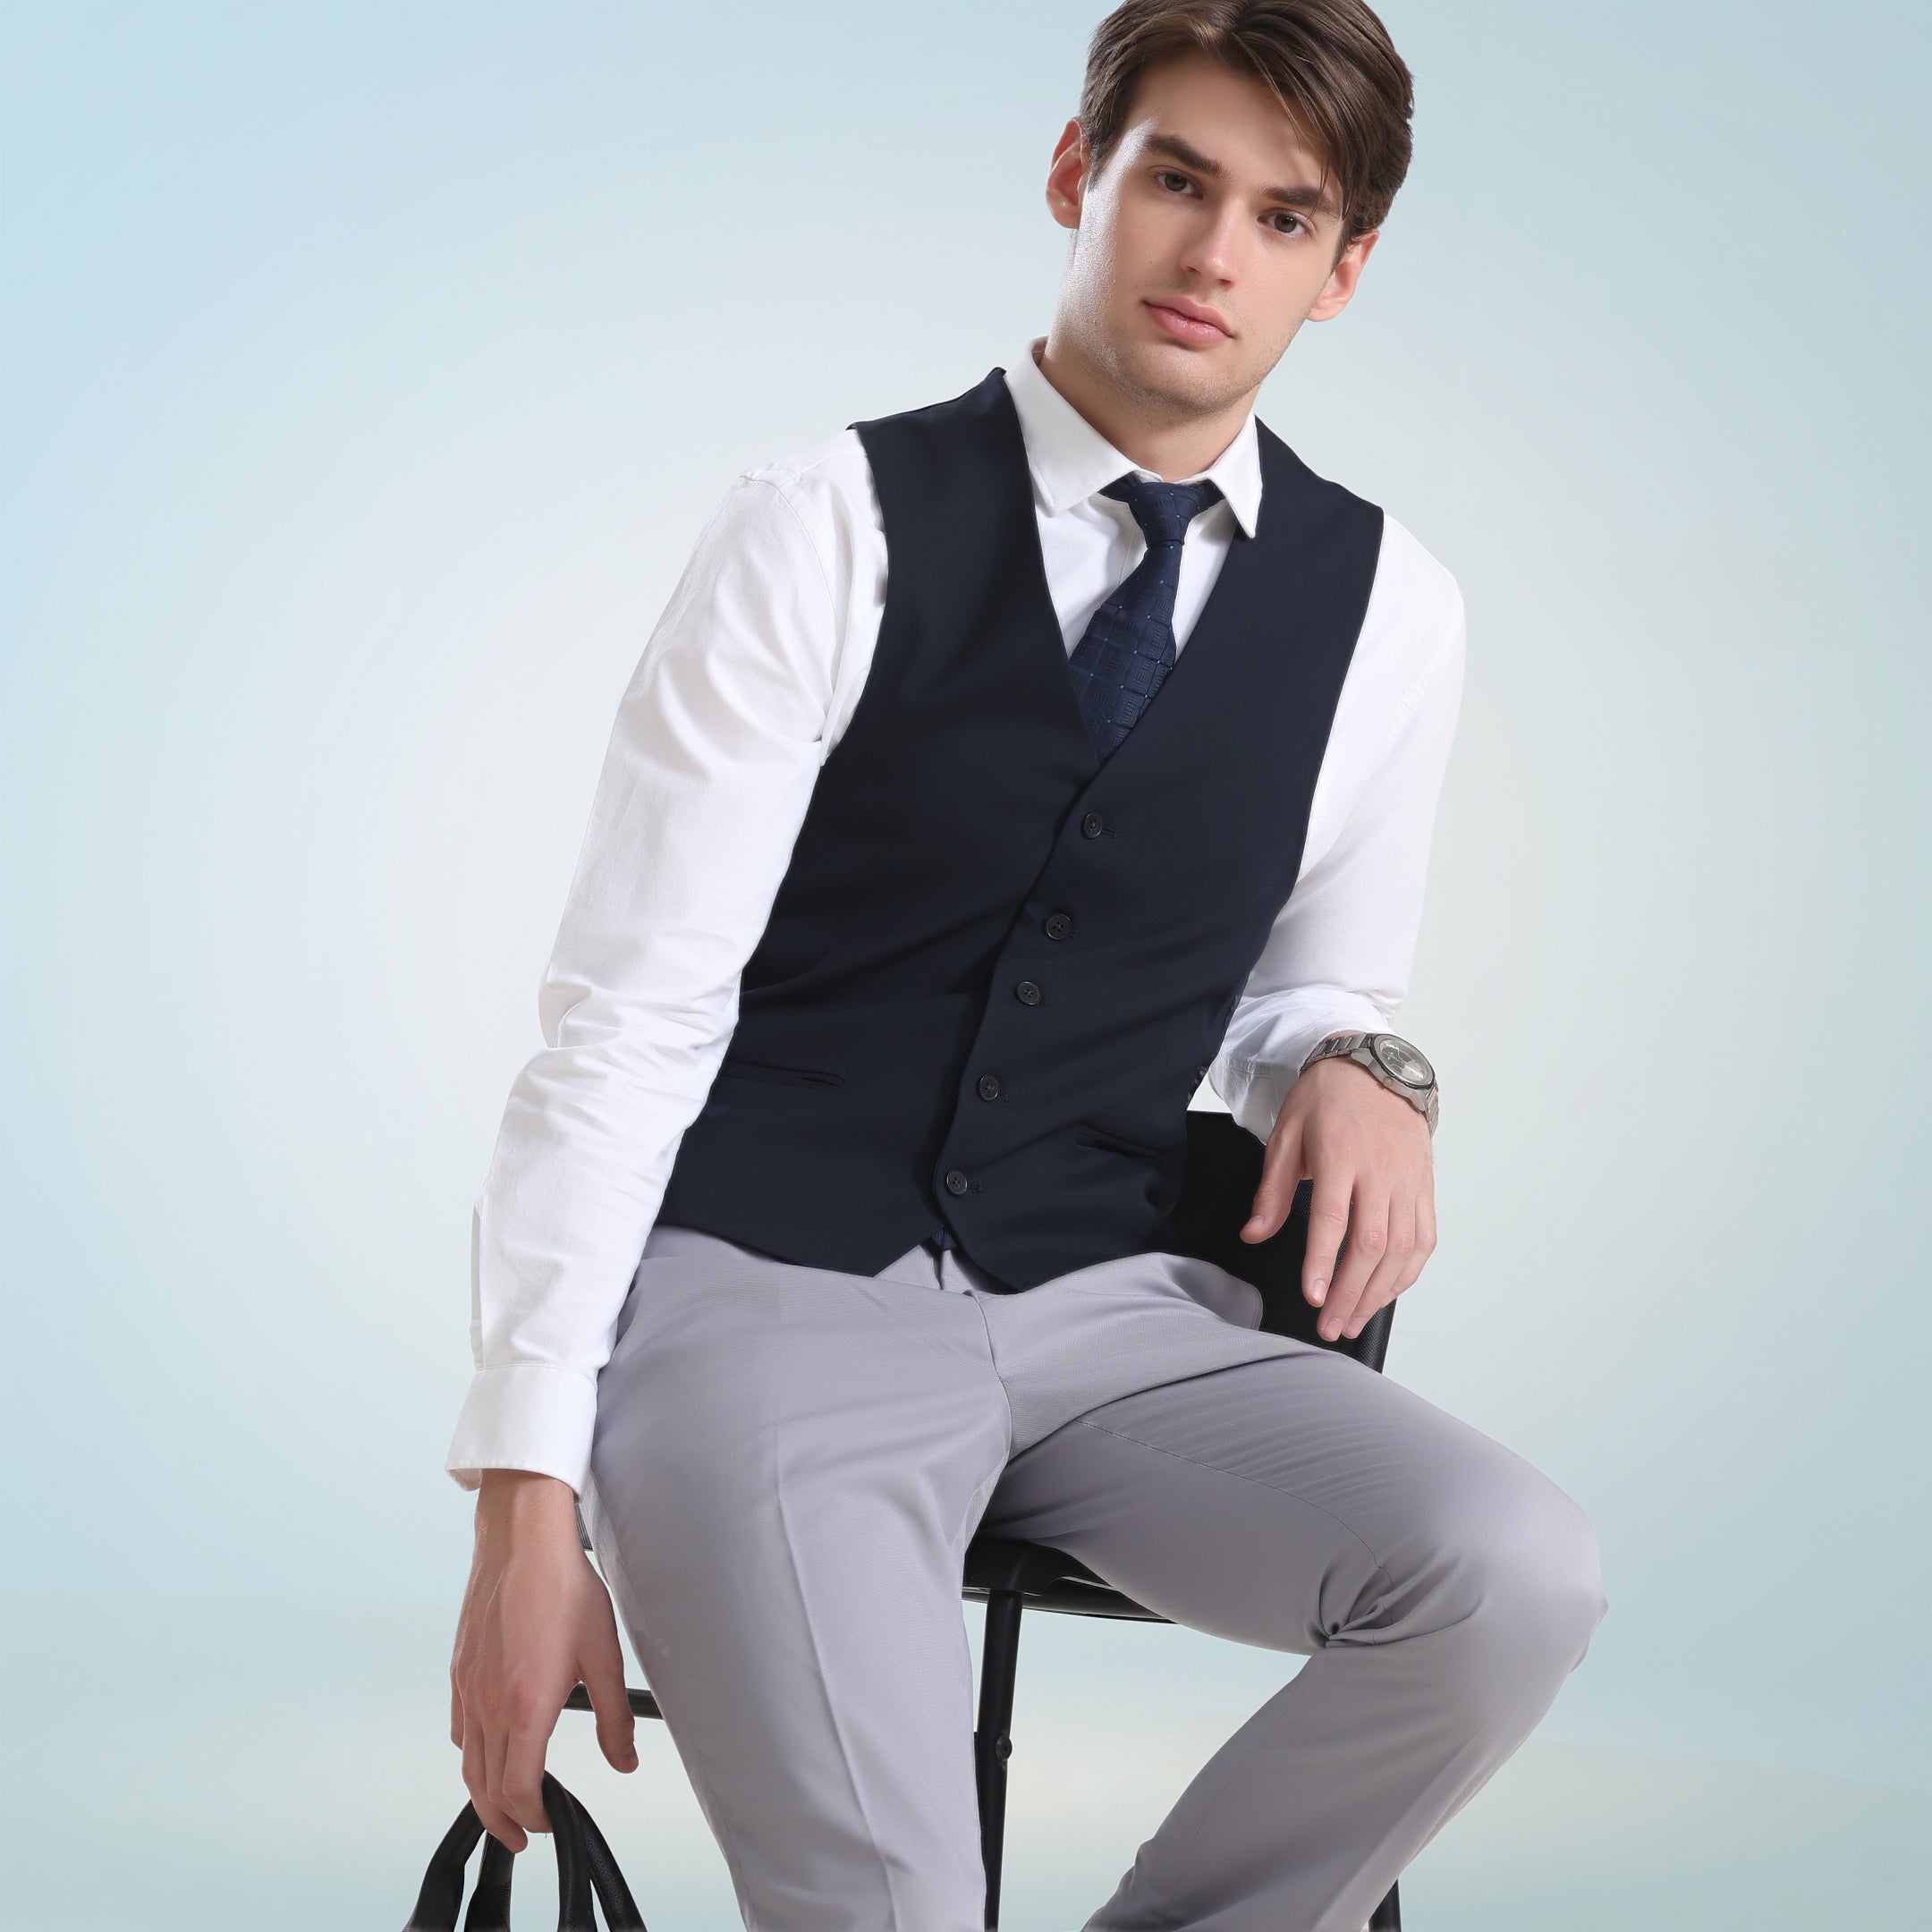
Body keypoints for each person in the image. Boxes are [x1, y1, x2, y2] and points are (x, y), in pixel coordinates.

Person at [444, 3, 1606, 1926]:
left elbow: (1315, 987)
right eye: (1174, 180)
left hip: (1108, 1309)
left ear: (1345, 272)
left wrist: (1367, 1074)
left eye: (1284, 217)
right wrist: (522, 1502)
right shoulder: (826, 524)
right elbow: (623, 1025)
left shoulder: (1392, 605)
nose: (1213, 254)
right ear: (1079, 175)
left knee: (1511, 1574)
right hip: (764, 1302)